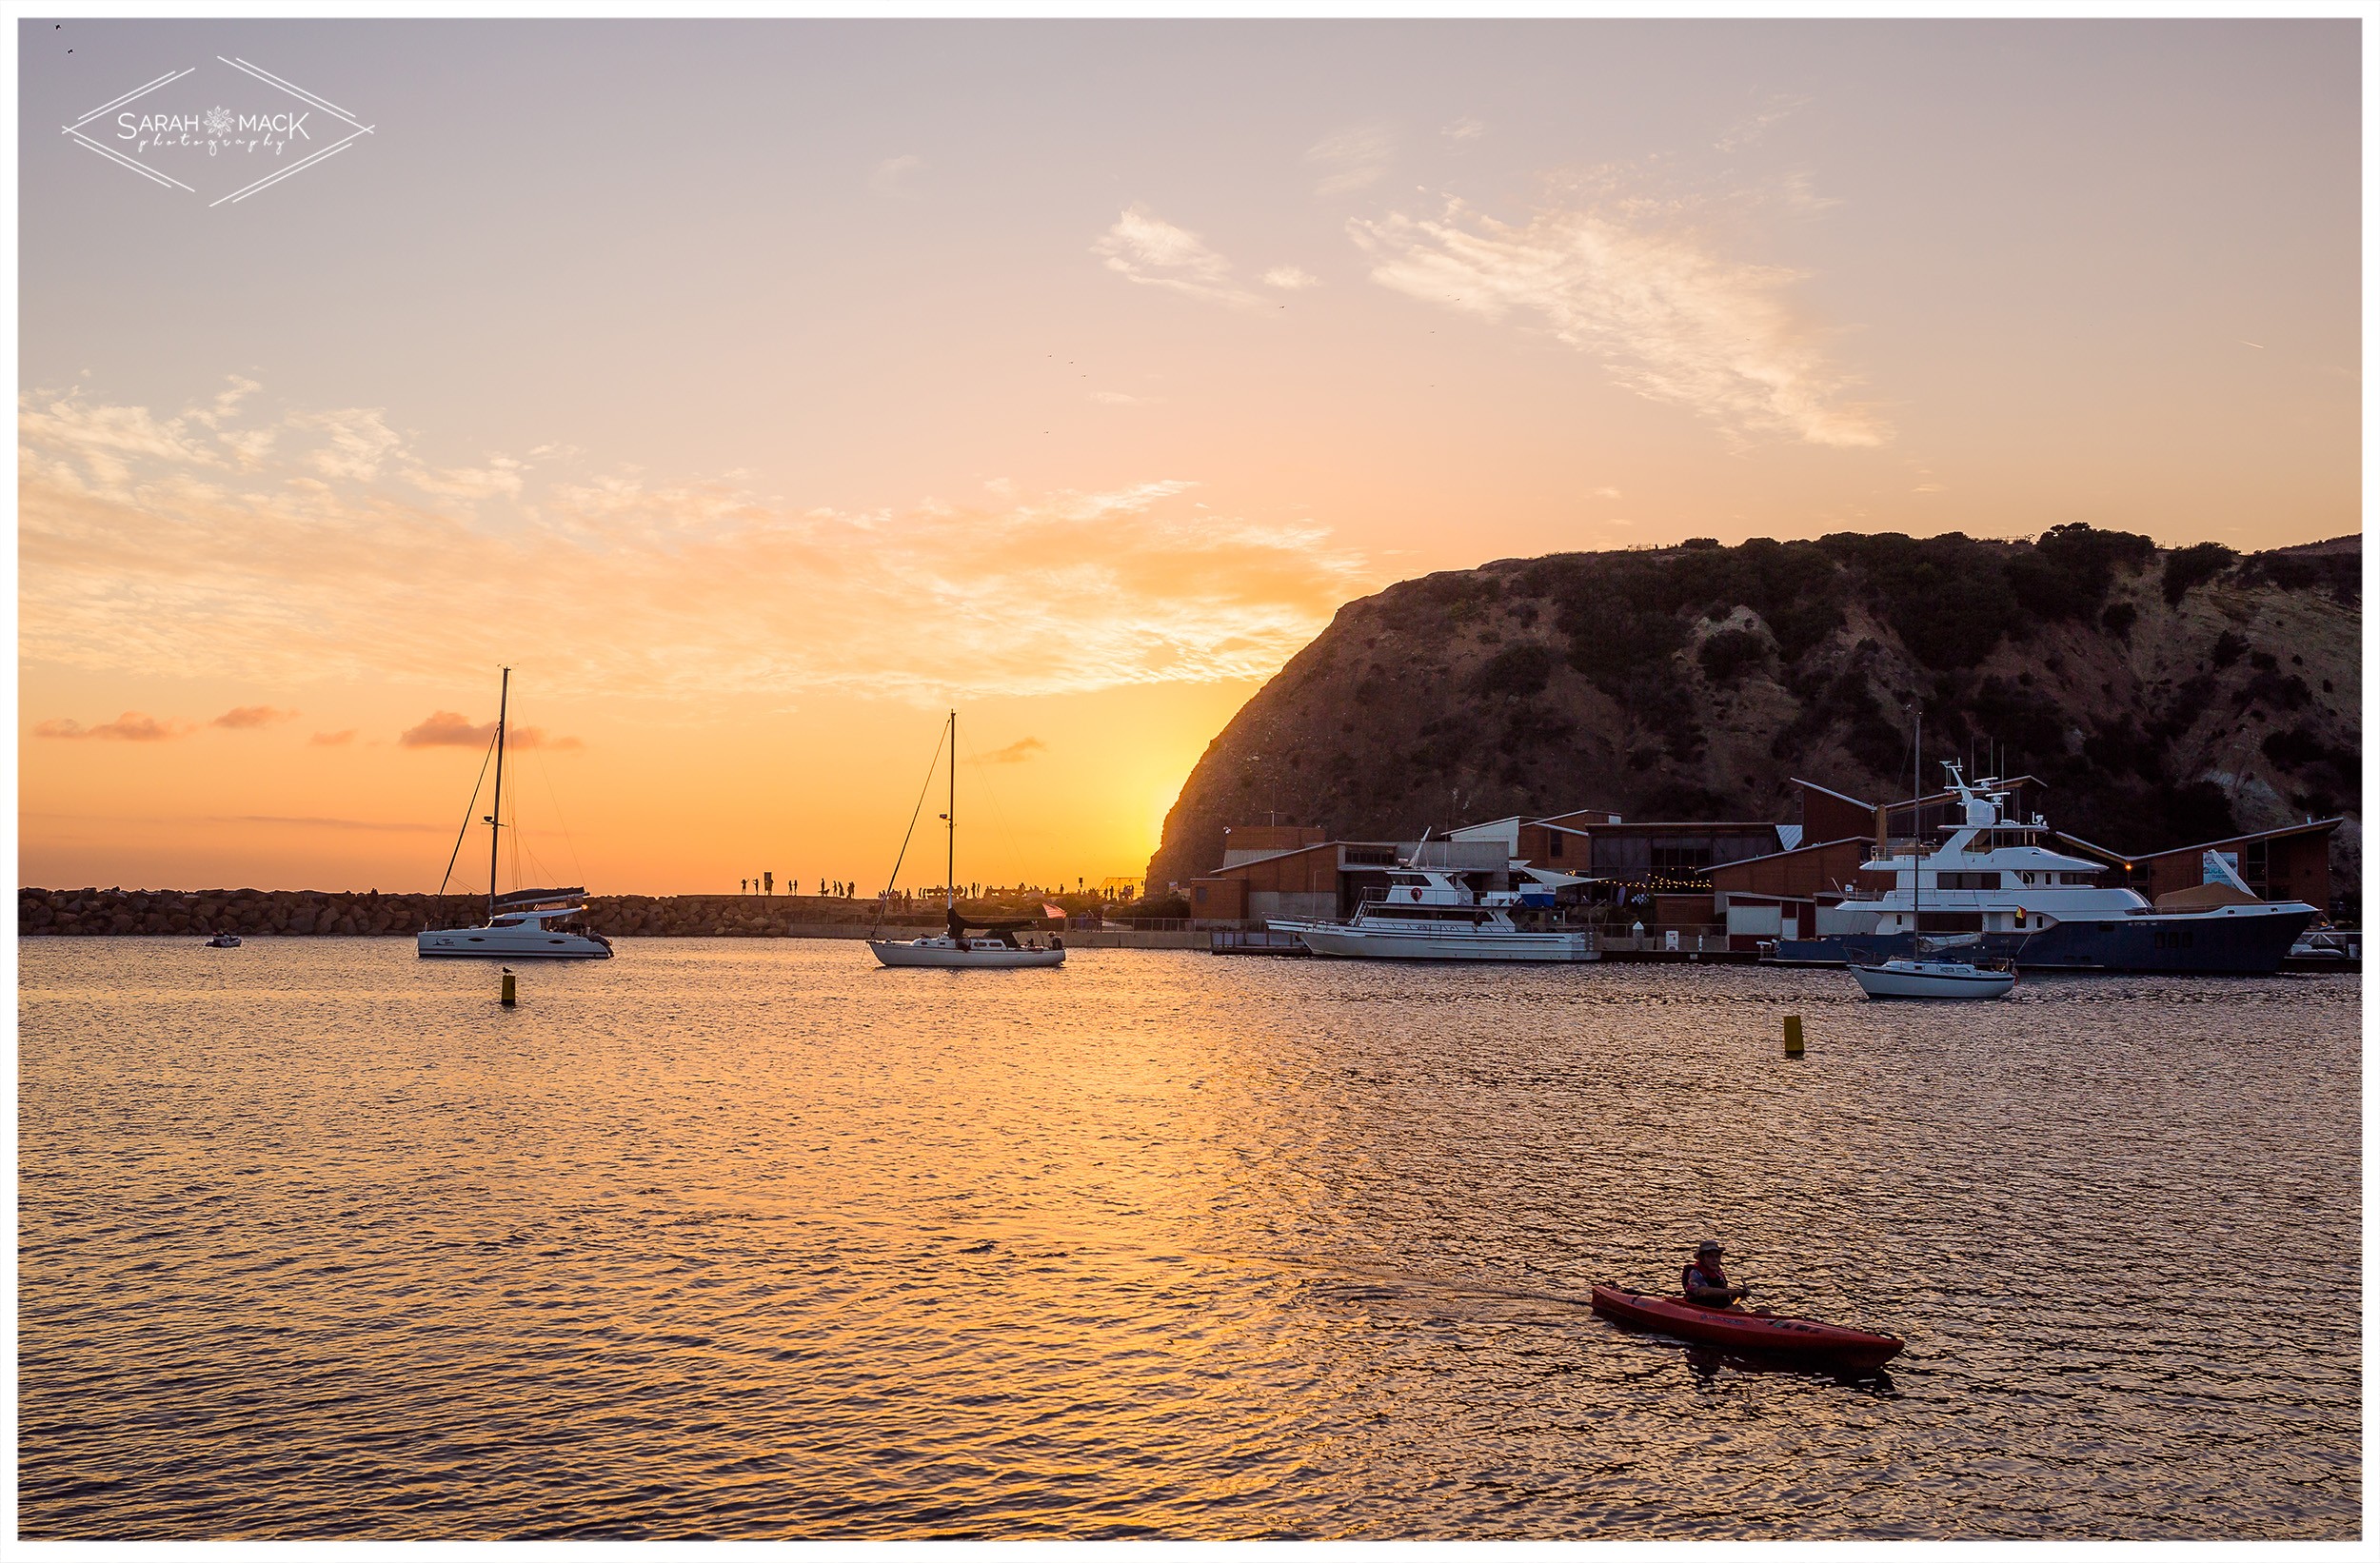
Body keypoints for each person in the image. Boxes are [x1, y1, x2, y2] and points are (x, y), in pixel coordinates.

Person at [1682, 1240, 1754, 1306]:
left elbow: (1727, 1300)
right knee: (1737, 1309)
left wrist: (1739, 1295)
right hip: (1701, 1308)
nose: (1715, 1260)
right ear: (1702, 1258)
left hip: (1718, 1310)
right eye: (1709, 1256)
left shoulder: (1718, 1274)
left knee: (1762, 1310)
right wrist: (1734, 1292)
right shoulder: (1695, 1272)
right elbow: (1702, 1291)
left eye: (1717, 1256)